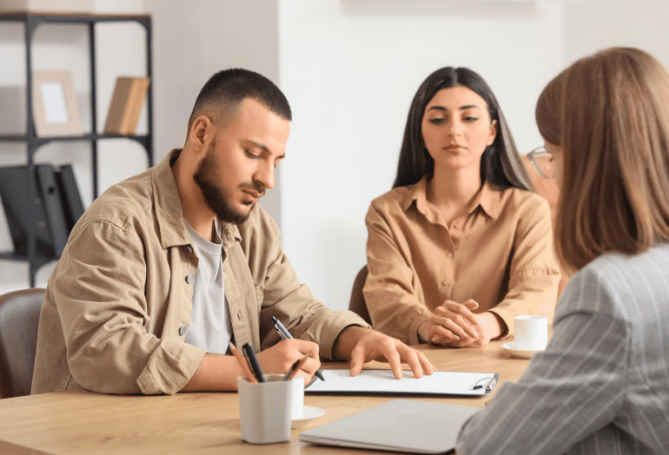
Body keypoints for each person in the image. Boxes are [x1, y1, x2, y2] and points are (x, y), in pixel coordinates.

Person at [31, 69, 434, 396]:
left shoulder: (251, 224)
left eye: (276, 160)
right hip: (96, 437)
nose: (267, 179)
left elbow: (296, 310)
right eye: (254, 154)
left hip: (196, 429)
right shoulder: (116, 225)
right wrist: (250, 369)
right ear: (201, 133)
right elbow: (104, 350)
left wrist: (355, 337)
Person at [456, 47, 669, 454]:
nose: (549, 173)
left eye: (551, 156)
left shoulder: (613, 290)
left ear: (589, 163)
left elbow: (488, 447)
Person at [363, 67, 561, 347]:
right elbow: (387, 296)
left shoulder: (528, 210)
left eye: (469, 118)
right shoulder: (386, 211)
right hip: (416, 367)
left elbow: (536, 294)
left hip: (498, 366)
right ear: (420, 131)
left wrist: (486, 324)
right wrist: (427, 325)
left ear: (492, 131)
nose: (454, 130)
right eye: (438, 119)